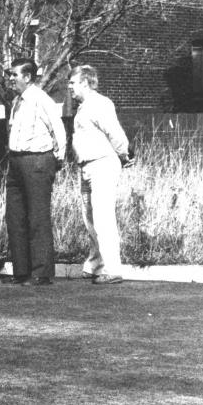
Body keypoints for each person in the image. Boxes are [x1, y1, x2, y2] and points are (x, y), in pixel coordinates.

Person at [4, 57, 67, 286]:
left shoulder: (41, 99)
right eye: (10, 74)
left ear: (27, 77)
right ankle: (22, 270)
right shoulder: (16, 101)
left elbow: (58, 129)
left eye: (14, 75)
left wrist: (58, 158)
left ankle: (41, 273)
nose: (10, 78)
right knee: (15, 216)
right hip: (16, 161)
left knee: (37, 217)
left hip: (37, 161)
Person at [68, 64, 131, 285]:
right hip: (86, 166)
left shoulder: (100, 104)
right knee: (90, 218)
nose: (70, 87)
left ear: (85, 82)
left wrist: (125, 155)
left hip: (102, 164)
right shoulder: (83, 107)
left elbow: (115, 133)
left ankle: (113, 269)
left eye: (73, 83)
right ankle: (96, 264)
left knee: (103, 217)